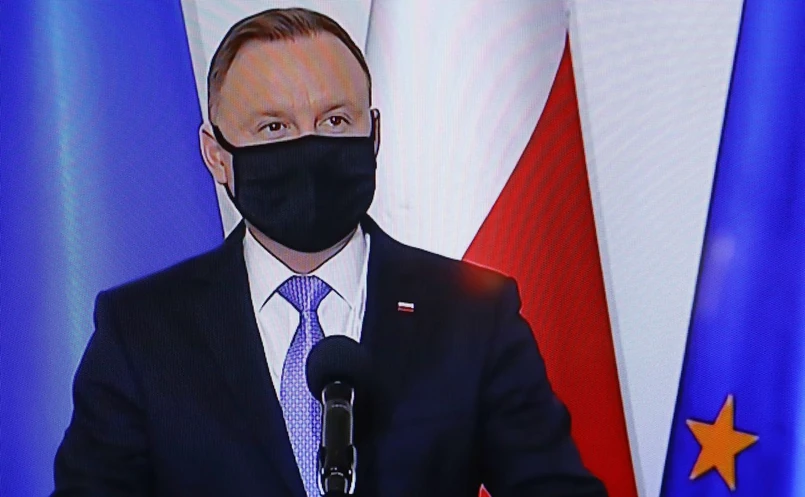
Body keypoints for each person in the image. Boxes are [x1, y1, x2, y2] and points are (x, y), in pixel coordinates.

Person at [53, 8, 607, 497]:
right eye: (274, 127)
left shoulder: (473, 316)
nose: (308, 146)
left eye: (334, 120)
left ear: (373, 134)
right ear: (216, 154)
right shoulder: (142, 330)